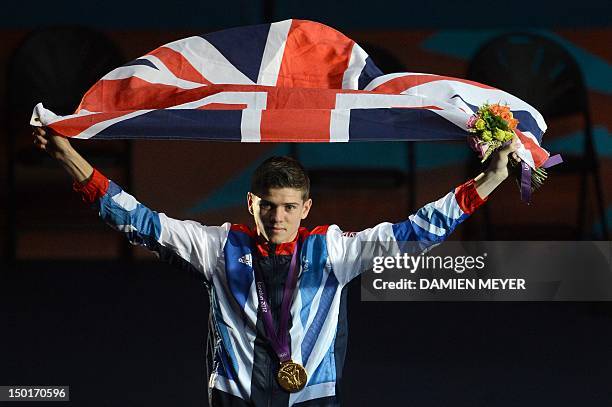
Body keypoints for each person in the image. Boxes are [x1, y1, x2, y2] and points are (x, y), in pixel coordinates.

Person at [33, 127, 520, 406]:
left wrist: (491, 178)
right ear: (251, 203)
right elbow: (137, 219)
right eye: (268, 205)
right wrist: (68, 156)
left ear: (307, 207)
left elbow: (416, 231)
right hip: (234, 398)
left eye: (289, 207)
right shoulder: (216, 247)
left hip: (309, 398)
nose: (278, 217)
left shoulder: (333, 252)